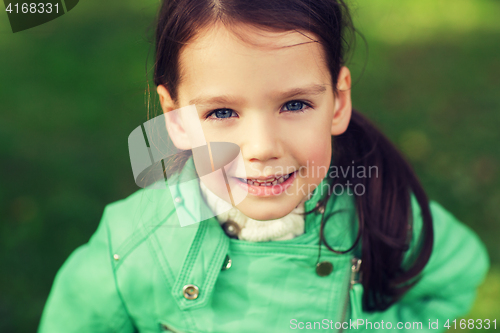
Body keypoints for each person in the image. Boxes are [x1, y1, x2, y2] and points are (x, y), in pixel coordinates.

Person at [38, 0, 490, 332]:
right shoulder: (132, 248)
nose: (261, 148)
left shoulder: (384, 211)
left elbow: (456, 277)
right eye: (221, 113)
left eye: (294, 104)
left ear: (337, 102)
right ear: (174, 119)